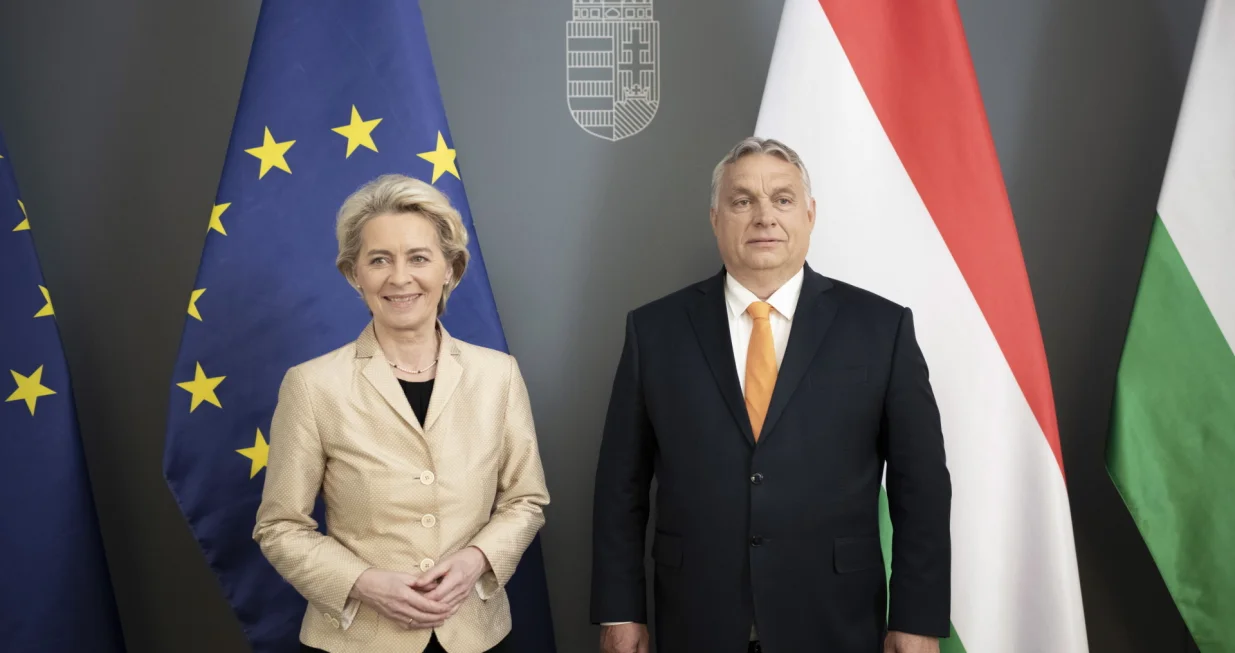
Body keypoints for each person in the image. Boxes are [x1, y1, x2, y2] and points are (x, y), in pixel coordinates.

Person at [590, 138, 951, 653]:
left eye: (782, 199)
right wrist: (619, 609)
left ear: (809, 214)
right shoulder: (654, 331)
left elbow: (923, 488)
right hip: (696, 616)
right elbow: (620, 486)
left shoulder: (881, 328)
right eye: (742, 201)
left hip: (835, 617)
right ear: (716, 217)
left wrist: (917, 618)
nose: (764, 217)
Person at [253, 174, 550, 653]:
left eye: (418, 257)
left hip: (475, 634)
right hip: (357, 641)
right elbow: (279, 526)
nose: (399, 277)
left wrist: (477, 559)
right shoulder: (312, 385)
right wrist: (363, 582)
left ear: (450, 268)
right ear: (354, 274)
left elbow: (527, 499)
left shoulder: (499, 375)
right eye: (378, 260)